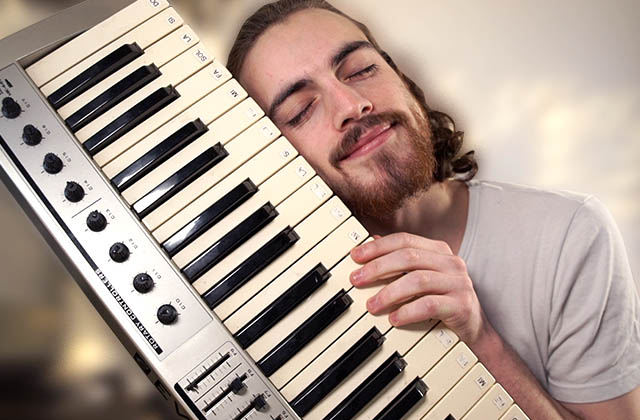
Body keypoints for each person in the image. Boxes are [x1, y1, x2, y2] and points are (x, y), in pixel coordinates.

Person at [226, 0, 640, 418]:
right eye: (301, 111)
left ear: (402, 79)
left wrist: (481, 340)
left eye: (361, 70)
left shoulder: (570, 234)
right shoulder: (278, 310)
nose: (351, 105)